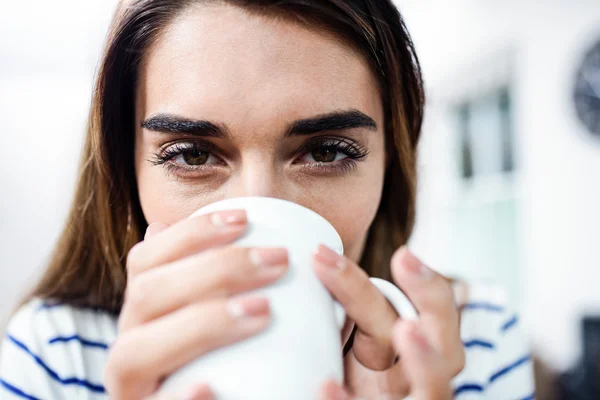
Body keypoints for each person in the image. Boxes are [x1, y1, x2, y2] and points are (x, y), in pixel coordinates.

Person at [0, 1, 534, 399]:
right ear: (128, 172)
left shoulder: (477, 342)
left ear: (391, 165)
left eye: (327, 150)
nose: (261, 208)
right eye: (190, 155)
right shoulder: (53, 352)